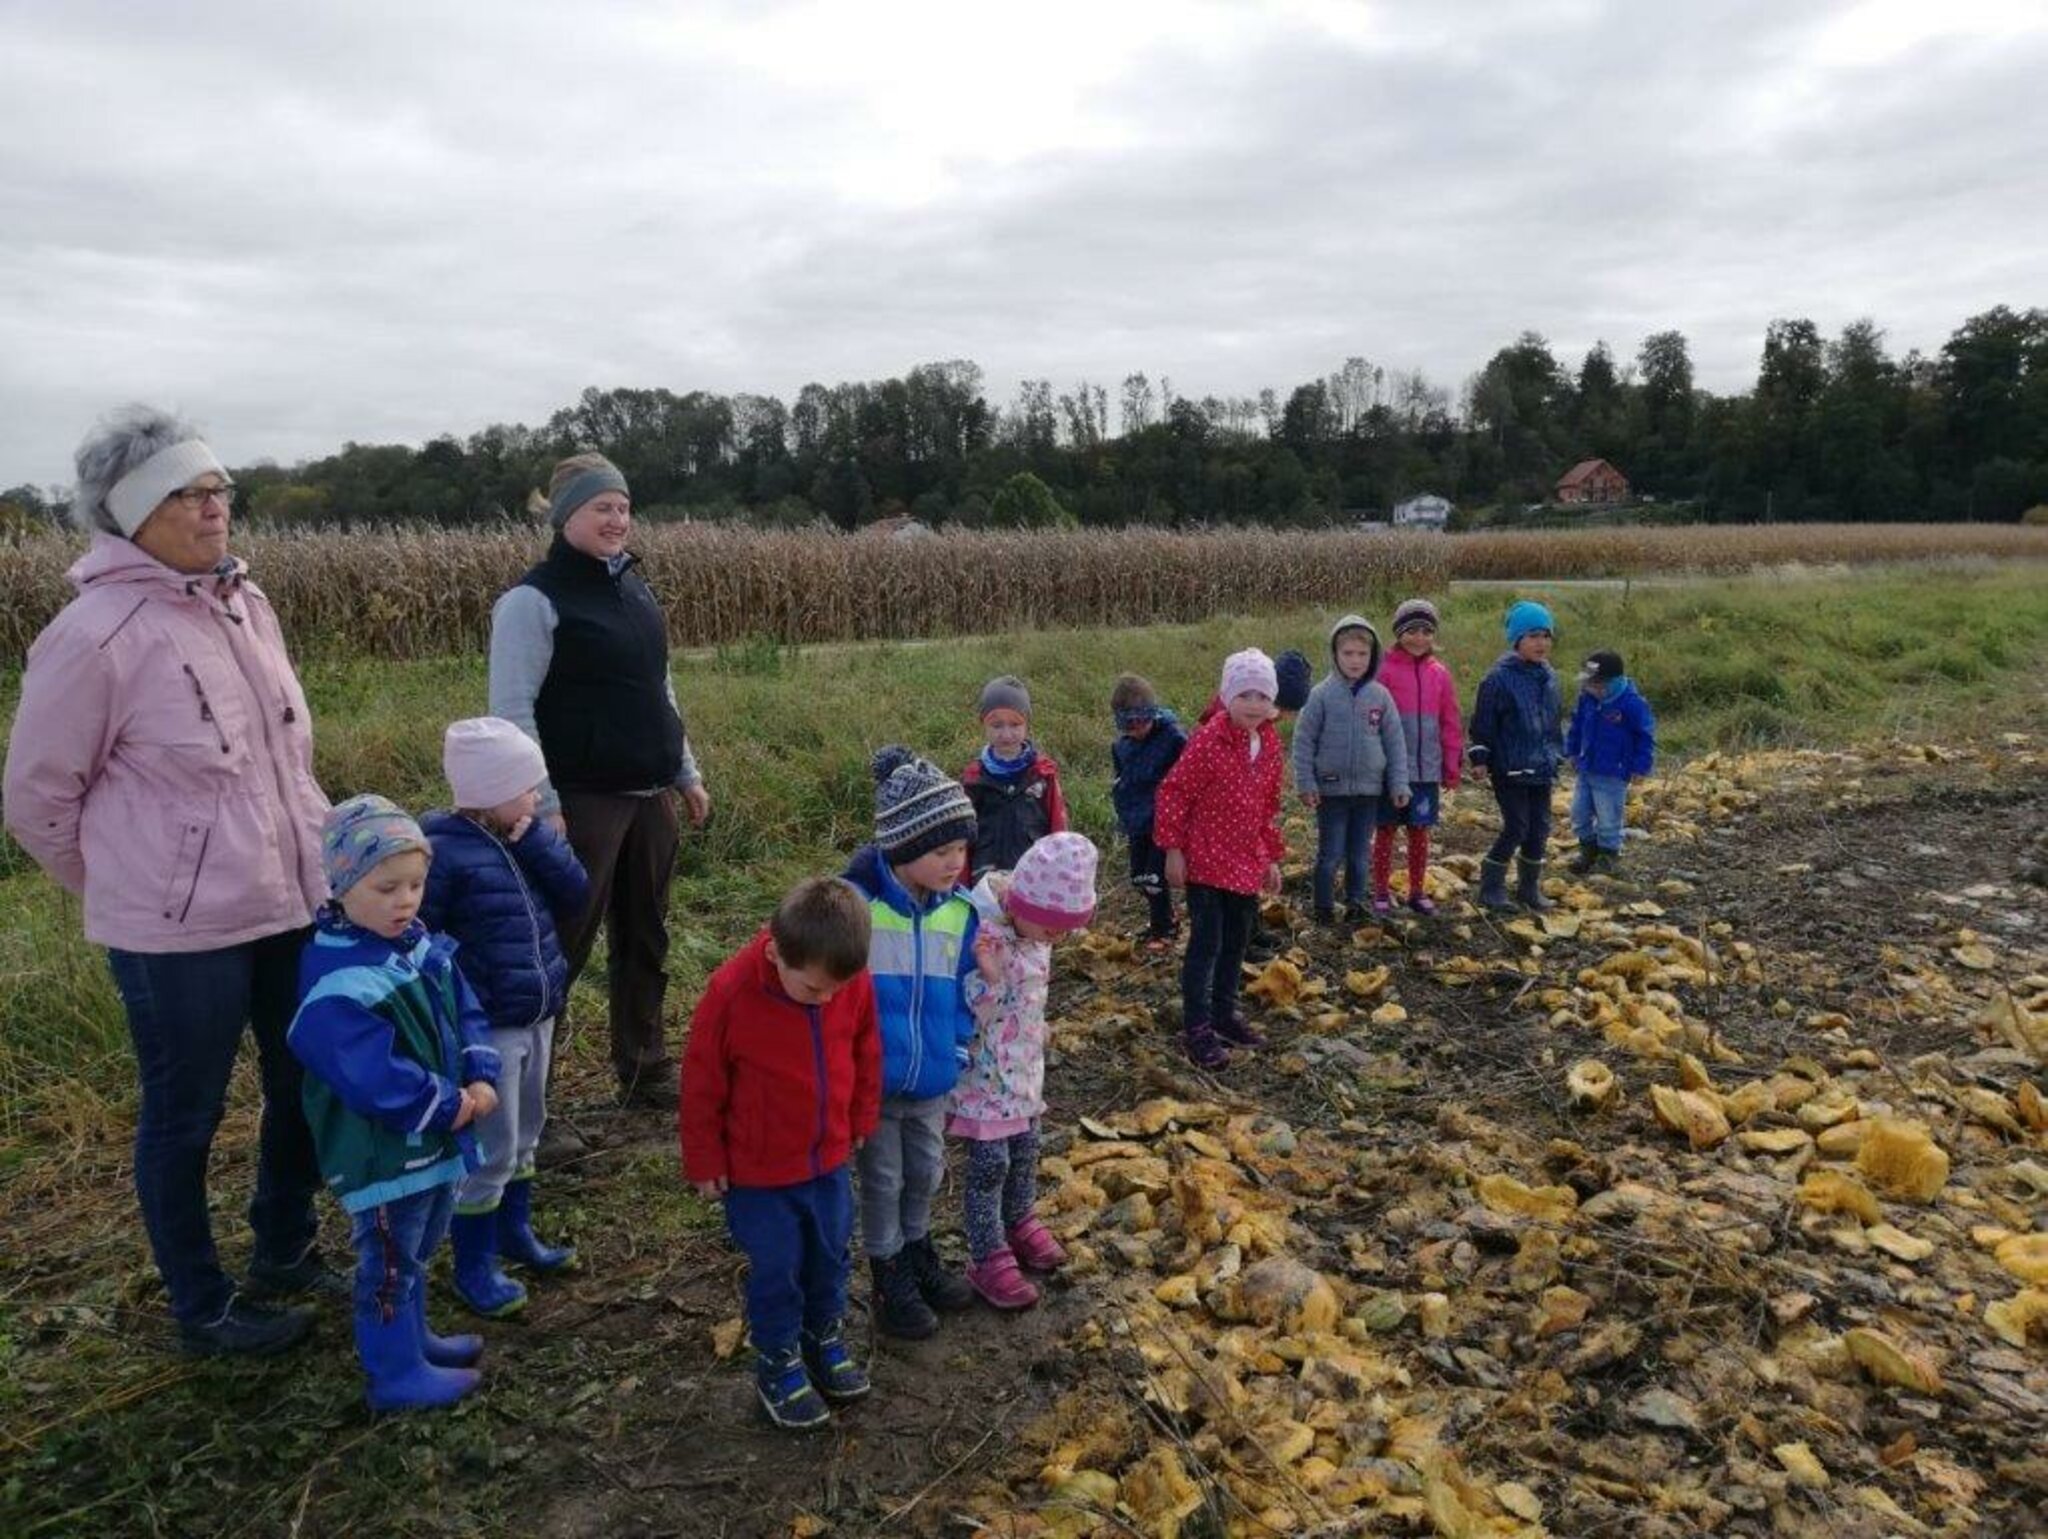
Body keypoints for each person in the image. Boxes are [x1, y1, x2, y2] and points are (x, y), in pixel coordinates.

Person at [3, 405, 338, 1356]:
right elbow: (37, 799)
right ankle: (202, 1305)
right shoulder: (94, 634)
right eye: (187, 495)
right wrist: (136, 886)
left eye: (218, 489)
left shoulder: (248, 602)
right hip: (175, 931)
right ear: (131, 514)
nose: (213, 508)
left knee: (302, 1074)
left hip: (290, 899)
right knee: (185, 1112)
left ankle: (284, 1246)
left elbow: (286, 761)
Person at [488, 452, 711, 1113]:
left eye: (623, 507)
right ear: (564, 518)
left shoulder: (633, 589)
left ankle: (644, 1066)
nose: (617, 519)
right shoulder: (533, 601)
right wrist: (544, 801)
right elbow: (512, 707)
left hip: (649, 795)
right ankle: (532, 1102)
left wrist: (685, 770)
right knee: (561, 946)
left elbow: (657, 686)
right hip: (580, 801)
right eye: (601, 507)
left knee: (647, 937)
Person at [288, 796, 501, 1413]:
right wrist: (444, 1103)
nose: (405, 900)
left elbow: (463, 1005)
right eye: (386, 887)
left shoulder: (414, 941)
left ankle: (414, 1340)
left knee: (421, 1239)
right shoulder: (337, 979)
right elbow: (367, 1073)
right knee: (388, 1257)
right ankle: (394, 1373)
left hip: (430, 1137)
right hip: (386, 1152)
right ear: (343, 884)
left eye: (415, 884)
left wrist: (479, 1066)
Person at [682, 878, 881, 1431]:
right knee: (778, 1267)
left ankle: (823, 1338)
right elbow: (702, 1083)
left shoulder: (849, 984)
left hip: (827, 1160)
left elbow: (866, 1049)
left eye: (835, 990)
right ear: (775, 951)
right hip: (759, 1171)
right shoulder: (731, 993)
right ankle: (778, 1359)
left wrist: (860, 1117)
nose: (827, 999)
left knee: (831, 1253)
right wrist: (705, 1160)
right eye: (814, 989)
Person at [419, 718, 591, 1318]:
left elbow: (576, 893)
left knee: (525, 1133)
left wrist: (539, 841)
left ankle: (515, 1234)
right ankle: (473, 1265)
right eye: (528, 787)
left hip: (537, 1011)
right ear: (490, 791)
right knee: (490, 1146)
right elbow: (422, 935)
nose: (538, 798)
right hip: (490, 1025)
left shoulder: (526, 837)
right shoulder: (441, 853)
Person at [842, 748, 981, 1340]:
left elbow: (964, 991)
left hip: (932, 1080)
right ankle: (887, 1269)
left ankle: (918, 1248)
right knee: (883, 1177)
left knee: (925, 1170)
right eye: (941, 852)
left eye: (960, 850)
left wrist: (956, 1047)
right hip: (876, 1082)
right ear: (902, 849)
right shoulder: (861, 913)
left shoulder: (959, 914)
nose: (955, 863)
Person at [950, 833, 1099, 1309]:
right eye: (1052, 929)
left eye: (1064, 931)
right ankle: (987, 1253)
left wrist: (1039, 1026)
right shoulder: (984, 935)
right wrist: (990, 979)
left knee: (1027, 1150)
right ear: (1019, 902)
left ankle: (1020, 1220)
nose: (1056, 939)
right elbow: (968, 1011)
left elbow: (1031, 994)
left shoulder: (1035, 930)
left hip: (1024, 1070)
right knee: (990, 1165)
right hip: (985, 1074)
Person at [1154, 650, 1287, 1070]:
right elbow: (1174, 792)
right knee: (1206, 944)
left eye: (1262, 696)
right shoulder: (1208, 741)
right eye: (1244, 694)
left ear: (1273, 703)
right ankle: (1196, 1027)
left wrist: (1270, 856)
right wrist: (1173, 848)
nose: (1253, 704)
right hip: (1207, 860)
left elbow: (1267, 805)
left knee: (1236, 942)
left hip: (1245, 861)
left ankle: (1224, 1014)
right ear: (1227, 696)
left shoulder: (1268, 744)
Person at [1292, 615, 1410, 924]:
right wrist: (1306, 783)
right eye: (1348, 654)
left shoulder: (1380, 696)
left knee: (1360, 853)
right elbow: (1303, 741)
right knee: (1330, 853)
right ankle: (1323, 906)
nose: (1355, 661)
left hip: (1368, 791)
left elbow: (1395, 742)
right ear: (1335, 654)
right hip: (1330, 791)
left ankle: (1356, 902)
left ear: (1373, 657)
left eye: (1362, 654)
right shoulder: (1320, 695)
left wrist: (1399, 784)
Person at [1467, 600, 1566, 912]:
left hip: (1542, 765)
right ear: (1517, 639)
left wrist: (1557, 753)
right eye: (1533, 636)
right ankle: (1491, 886)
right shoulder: (1497, 678)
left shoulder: (1549, 676)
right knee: (1517, 827)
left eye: (1546, 636)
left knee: (1540, 829)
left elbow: (1552, 721)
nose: (1541, 643)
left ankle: (1528, 887)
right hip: (1510, 767)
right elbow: (1483, 723)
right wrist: (1480, 758)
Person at [1374, 599, 1464, 916]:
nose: (1419, 638)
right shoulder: (1383, 670)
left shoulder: (1439, 673)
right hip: (1391, 771)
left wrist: (1451, 766)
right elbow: (1374, 720)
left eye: (1426, 631)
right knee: (1385, 829)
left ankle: (1416, 890)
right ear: (1399, 633)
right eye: (1412, 630)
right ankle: (1381, 891)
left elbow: (1450, 722)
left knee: (1419, 831)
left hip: (1426, 771)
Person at [961, 675, 1068, 883]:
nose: (1007, 734)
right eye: (997, 726)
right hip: (986, 875)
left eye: (1015, 724)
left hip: (1033, 873)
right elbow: (962, 838)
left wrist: (1059, 871)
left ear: (1027, 723)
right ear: (982, 723)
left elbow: (1058, 827)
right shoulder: (972, 779)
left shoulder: (1042, 774)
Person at [1109, 674, 1189, 952]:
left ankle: (1163, 927)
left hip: (1162, 820)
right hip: (1136, 820)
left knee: (1155, 877)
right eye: (1127, 724)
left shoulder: (1174, 739)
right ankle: (1166, 915)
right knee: (1139, 877)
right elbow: (1122, 779)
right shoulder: (1121, 746)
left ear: (1152, 714)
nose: (1136, 729)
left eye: (1141, 721)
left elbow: (1185, 780)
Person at [1565, 651, 1657, 876]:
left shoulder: (1632, 704)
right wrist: (1572, 751)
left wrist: (1640, 767)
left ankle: (1608, 854)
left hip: (1613, 773)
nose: (1590, 687)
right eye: (1587, 682)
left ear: (1614, 682)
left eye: (1596, 683)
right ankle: (1588, 849)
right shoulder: (1587, 699)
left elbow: (1645, 737)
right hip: (1587, 769)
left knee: (1608, 817)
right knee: (1578, 813)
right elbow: (1576, 726)